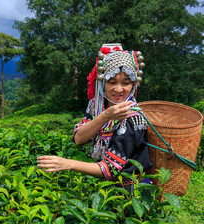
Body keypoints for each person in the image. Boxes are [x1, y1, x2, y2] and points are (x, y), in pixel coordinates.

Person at [37, 43, 152, 191]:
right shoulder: (97, 106)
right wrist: (105, 116)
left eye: (126, 83)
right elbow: (79, 138)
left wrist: (67, 164)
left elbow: (111, 169)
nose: (118, 89)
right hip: (105, 189)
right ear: (102, 82)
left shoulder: (133, 118)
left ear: (134, 84)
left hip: (130, 194)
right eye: (112, 82)